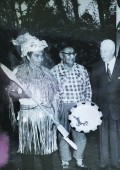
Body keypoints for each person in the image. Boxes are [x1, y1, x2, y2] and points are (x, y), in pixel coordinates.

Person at [7, 33, 60, 170]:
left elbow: (54, 96)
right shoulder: (18, 72)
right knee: (28, 152)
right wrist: (23, 94)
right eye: (36, 55)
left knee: (47, 152)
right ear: (28, 56)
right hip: (28, 118)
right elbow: (10, 92)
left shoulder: (48, 73)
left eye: (41, 55)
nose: (40, 59)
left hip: (46, 117)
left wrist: (56, 116)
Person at [91, 39, 120, 170]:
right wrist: (93, 108)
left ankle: (115, 164)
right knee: (103, 138)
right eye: (101, 50)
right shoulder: (96, 66)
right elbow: (94, 89)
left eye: (105, 51)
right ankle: (103, 164)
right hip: (101, 109)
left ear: (113, 50)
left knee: (116, 137)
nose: (102, 53)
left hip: (118, 109)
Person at [51, 44, 91, 170]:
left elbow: (88, 89)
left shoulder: (81, 69)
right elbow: (51, 92)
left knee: (80, 135)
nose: (71, 56)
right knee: (63, 135)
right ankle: (65, 161)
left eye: (73, 53)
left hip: (79, 107)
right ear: (61, 55)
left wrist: (87, 105)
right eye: (68, 53)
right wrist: (56, 109)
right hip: (62, 107)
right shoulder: (54, 71)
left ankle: (79, 159)